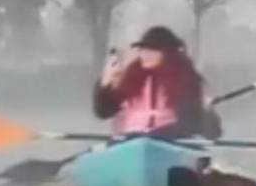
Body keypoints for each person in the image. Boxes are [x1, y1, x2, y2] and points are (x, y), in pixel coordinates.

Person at [93, 26, 223, 139]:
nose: (144, 54)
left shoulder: (185, 81)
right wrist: (105, 84)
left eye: (151, 50)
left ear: (167, 53)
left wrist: (205, 111)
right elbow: (103, 112)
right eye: (143, 49)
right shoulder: (129, 78)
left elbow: (198, 127)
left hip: (169, 143)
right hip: (129, 141)